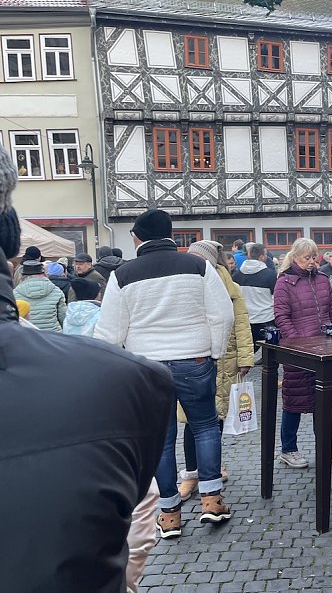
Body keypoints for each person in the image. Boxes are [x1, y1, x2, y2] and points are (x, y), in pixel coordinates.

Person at [0, 144, 173, 592]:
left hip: (123, 359)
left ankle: (187, 492)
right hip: (165, 367)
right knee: (197, 430)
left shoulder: (119, 280)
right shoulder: (118, 383)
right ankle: (204, 489)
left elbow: (110, 326)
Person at [94, 208, 235, 539]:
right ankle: (212, 501)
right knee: (204, 427)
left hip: (147, 366)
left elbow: (110, 332)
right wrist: (212, 352)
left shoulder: (123, 274)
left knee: (161, 438)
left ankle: (169, 513)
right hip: (194, 359)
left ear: (137, 237)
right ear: (170, 234)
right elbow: (223, 314)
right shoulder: (198, 265)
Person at [177, 240, 254, 499]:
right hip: (193, 354)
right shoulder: (186, 279)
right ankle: (191, 472)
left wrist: (246, 357)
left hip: (225, 356)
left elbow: (241, 321)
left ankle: (211, 469)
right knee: (191, 419)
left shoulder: (229, 284)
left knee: (216, 417)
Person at [274, 238, 332, 468]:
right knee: (294, 401)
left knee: (323, 401)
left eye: (314, 257)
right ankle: (288, 449)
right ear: (295, 258)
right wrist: (297, 344)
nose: (312, 262)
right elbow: (281, 317)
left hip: (325, 348)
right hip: (299, 352)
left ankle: (323, 446)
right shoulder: (284, 283)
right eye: (307, 257)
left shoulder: (323, 280)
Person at [233, 242, 277, 350]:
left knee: (247, 350)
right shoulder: (270, 274)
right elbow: (275, 296)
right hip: (266, 318)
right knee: (270, 352)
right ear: (262, 257)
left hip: (245, 318)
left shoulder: (237, 275)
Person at [14, 260, 66, 331]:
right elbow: (63, 316)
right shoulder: (55, 290)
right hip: (53, 335)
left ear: (23, 275)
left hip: (28, 335)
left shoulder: (15, 293)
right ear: (43, 272)